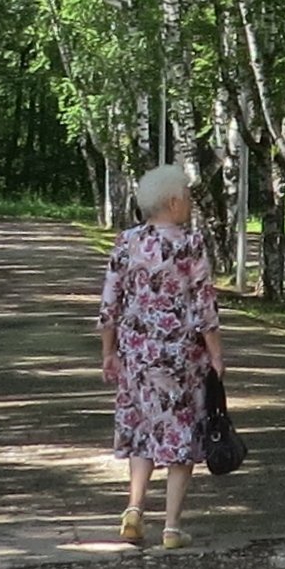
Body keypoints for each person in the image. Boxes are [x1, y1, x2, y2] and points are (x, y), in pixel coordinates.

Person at [99, 163, 224, 548]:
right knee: (180, 435)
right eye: (186, 197)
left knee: (141, 429)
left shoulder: (126, 242)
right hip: (179, 355)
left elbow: (109, 302)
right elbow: (204, 306)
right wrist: (216, 355)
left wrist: (108, 352)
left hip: (135, 354)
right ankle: (171, 527)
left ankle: (134, 509)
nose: (189, 204)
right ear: (172, 202)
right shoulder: (189, 243)